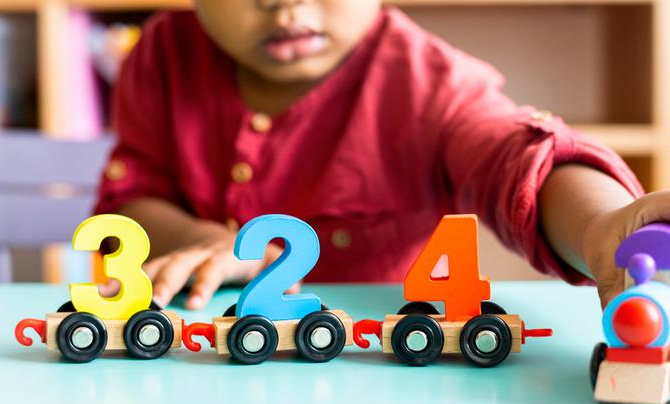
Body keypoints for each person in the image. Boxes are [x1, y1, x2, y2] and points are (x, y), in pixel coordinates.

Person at [95, 0, 668, 311]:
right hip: (194, 357)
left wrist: (600, 224)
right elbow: (130, 201)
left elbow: (512, 158)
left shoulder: (427, 80)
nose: (284, 5)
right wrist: (205, 240)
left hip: (378, 366)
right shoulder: (160, 58)